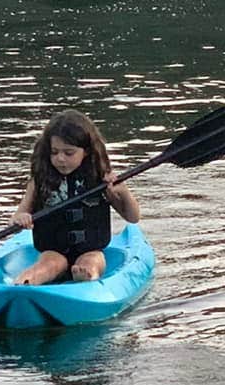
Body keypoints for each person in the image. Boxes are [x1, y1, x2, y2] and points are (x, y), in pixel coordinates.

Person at [7, 110, 140, 286]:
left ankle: (87, 277)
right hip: (53, 250)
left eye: (68, 153)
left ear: (85, 152)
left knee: (92, 260)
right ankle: (24, 284)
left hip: (90, 249)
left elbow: (132, 217)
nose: (60, 159)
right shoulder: (39, 181)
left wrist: (122, 191)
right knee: (50, 263)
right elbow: (18, 216)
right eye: (54, 152)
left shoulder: (99, 179)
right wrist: (19, 219)